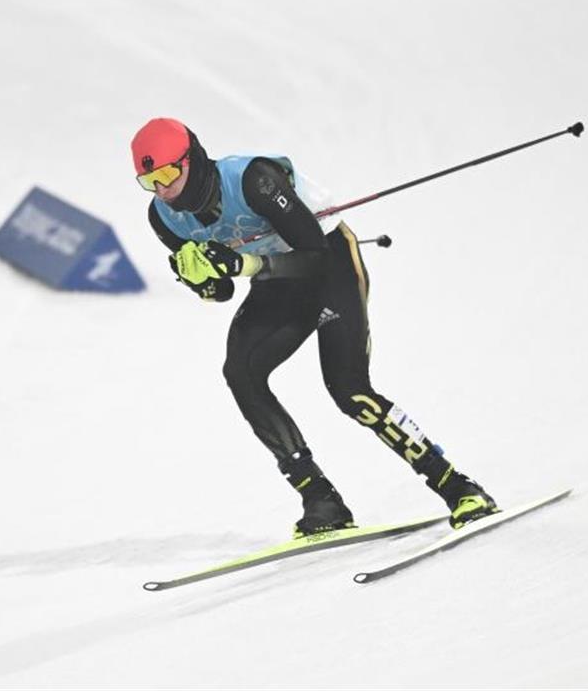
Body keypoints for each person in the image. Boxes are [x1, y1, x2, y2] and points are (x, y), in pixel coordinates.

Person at [130, 117, 499, 537]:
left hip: (329, 265)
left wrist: (242, 265)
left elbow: (315, 254)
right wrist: (202, 280)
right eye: (149, 181)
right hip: (278, 280)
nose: (162, 189)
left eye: (167, 174)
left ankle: (457, 486)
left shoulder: (254, 180)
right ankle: (321, 499)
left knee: (349, 390)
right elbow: (221, 293)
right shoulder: (164, 218)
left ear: (191, 160)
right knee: (241, 373)